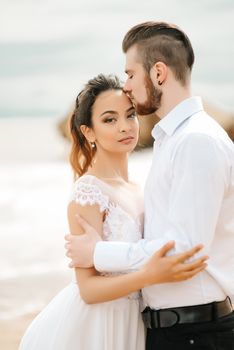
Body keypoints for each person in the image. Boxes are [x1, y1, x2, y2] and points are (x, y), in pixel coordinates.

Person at [65, 22, 234, 350]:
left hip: (195, 332)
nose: (127, 85)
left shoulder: (195, 140)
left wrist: (98, 252)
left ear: (158, 73)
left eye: (130, 74)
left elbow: (186, 250)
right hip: (175, 329)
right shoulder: (172, 140)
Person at [19, 74, 207, 350]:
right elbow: (88, 289)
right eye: (109, 119)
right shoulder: (88, 192)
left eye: (129, 115)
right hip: (99, 323)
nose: (124, 127)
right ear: (89, 132)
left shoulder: (138, 189)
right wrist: (150, 276)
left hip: (136, 321)